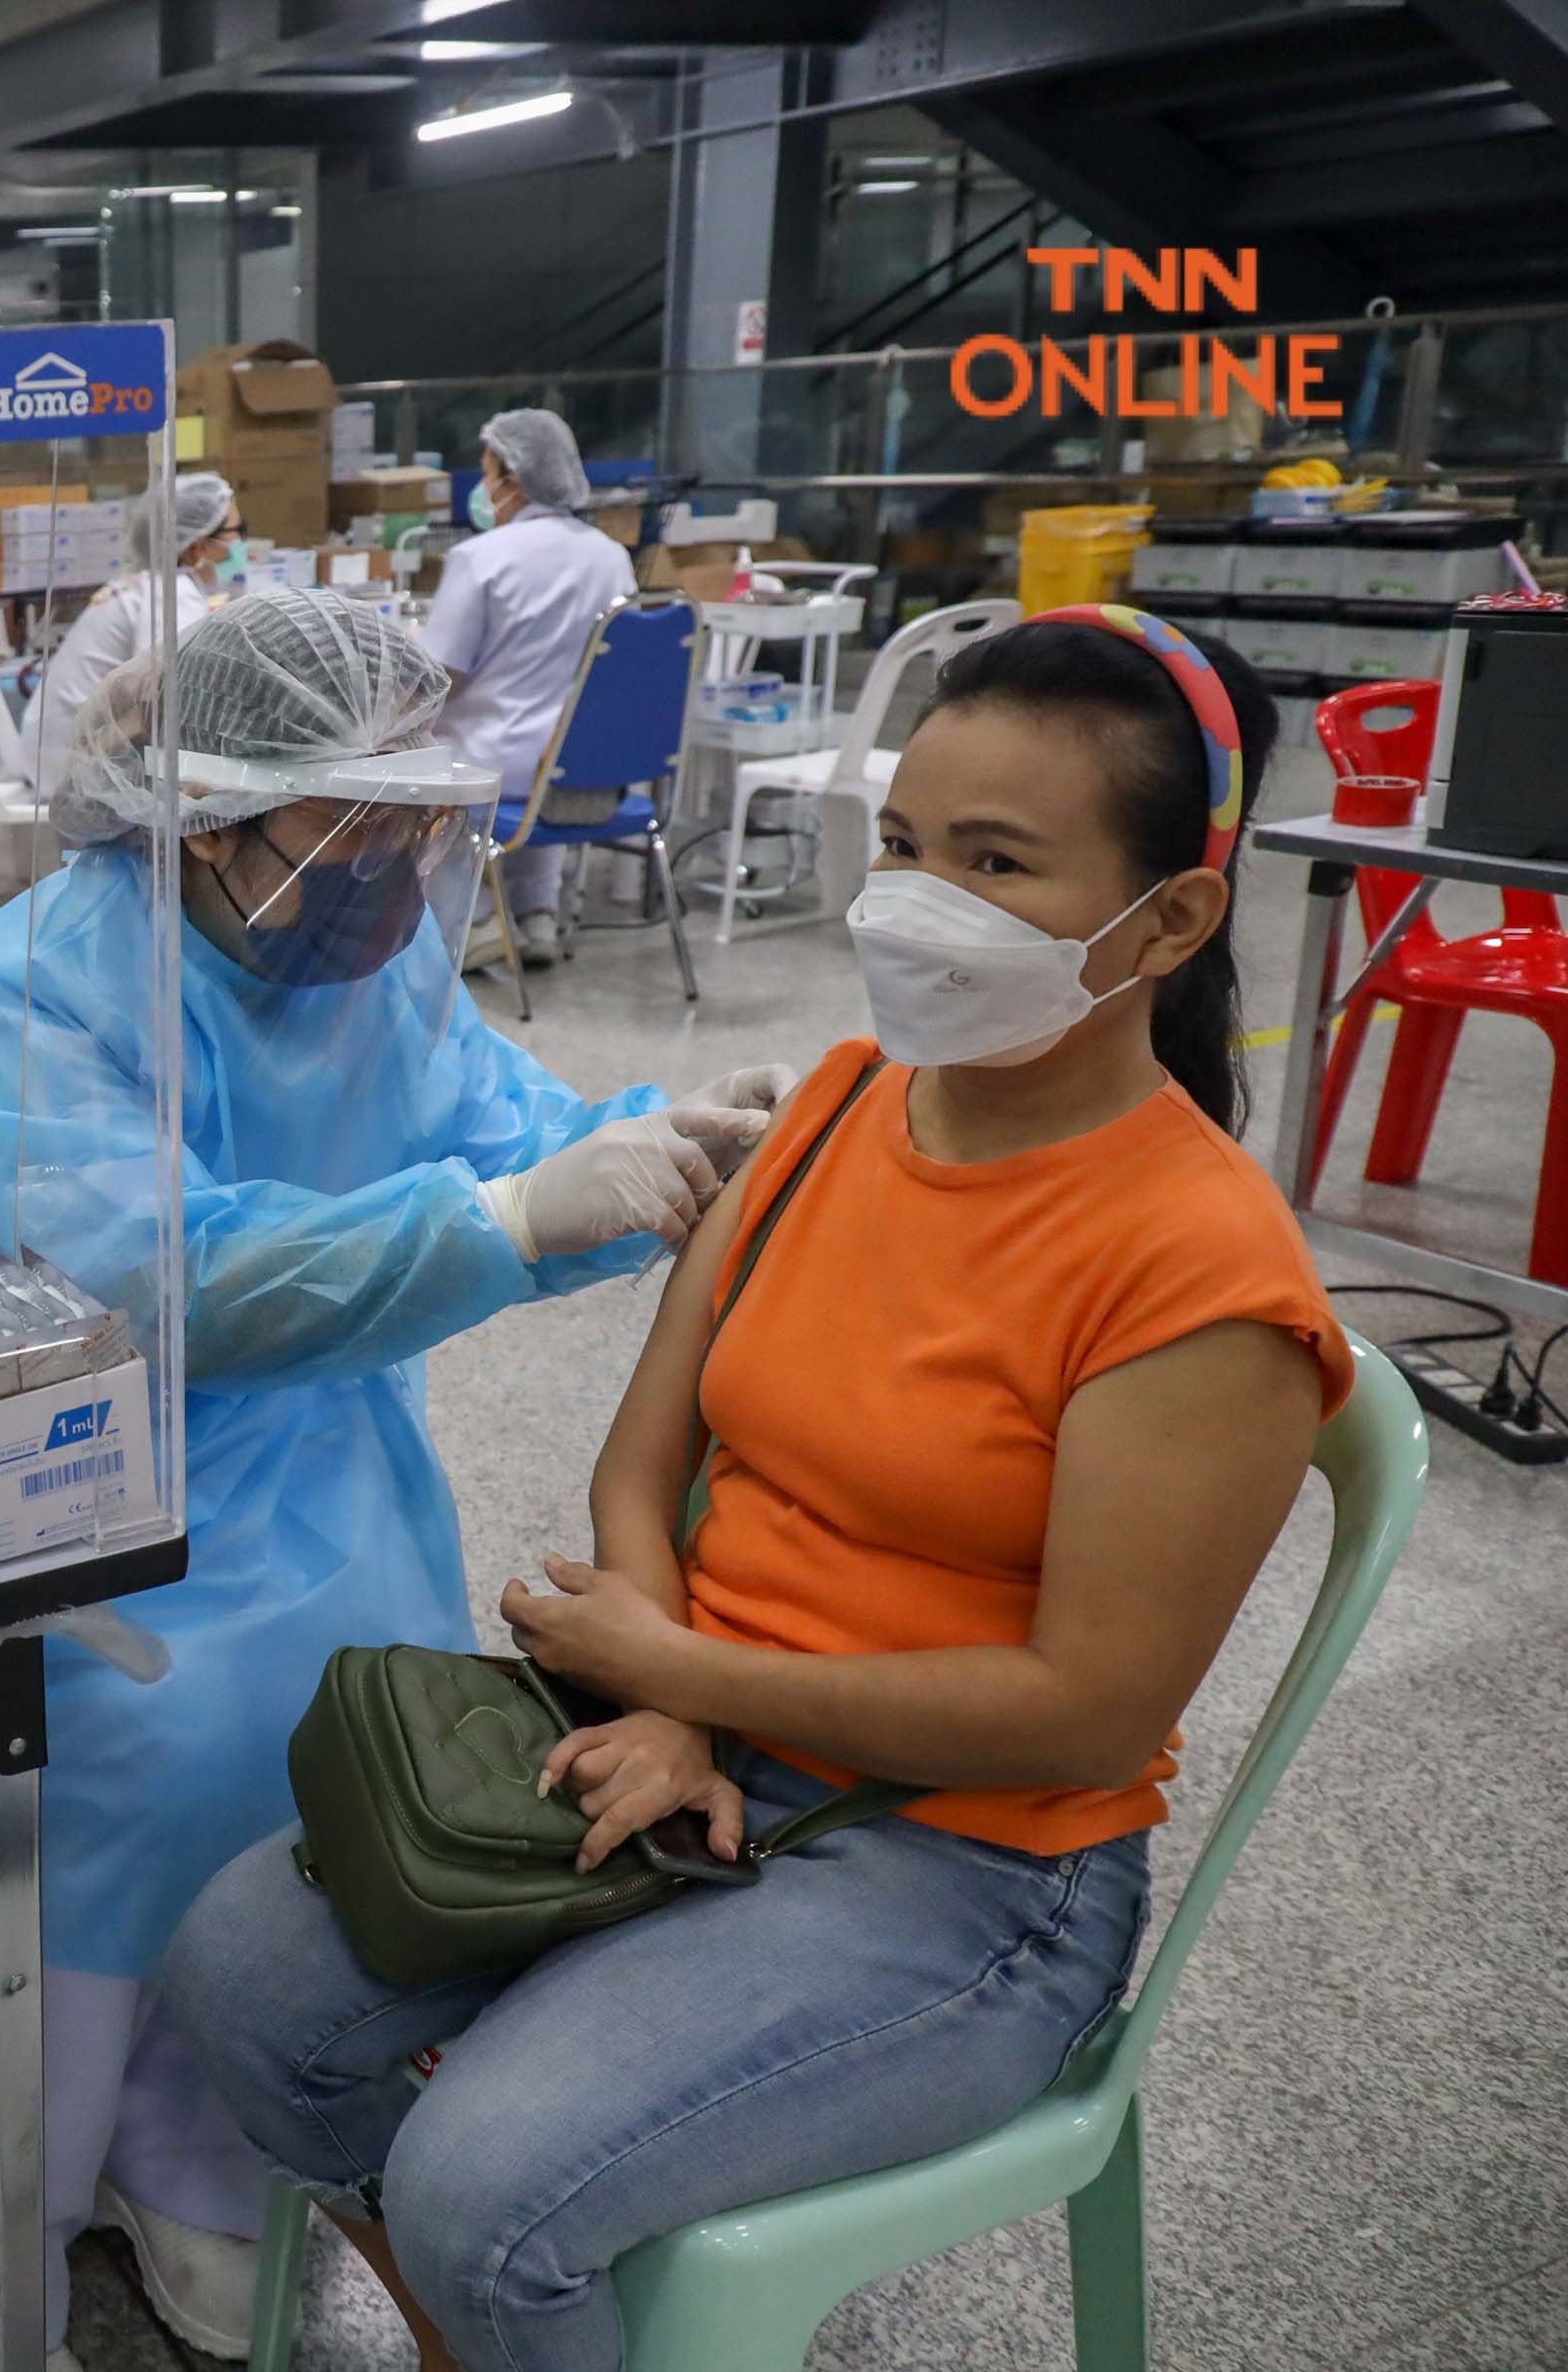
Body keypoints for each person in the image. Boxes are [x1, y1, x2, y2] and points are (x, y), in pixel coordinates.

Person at [159, 609, 1351, 2372]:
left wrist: (688, 1684)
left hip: (967, 1864)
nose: (911, 902)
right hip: (690, 1719)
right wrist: (672, 1699)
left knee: (494, 2186)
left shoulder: (1199, 1276)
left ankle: (501, 2299)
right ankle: (483, 2333)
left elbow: (1084, 1716)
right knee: (242, 1985)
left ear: (1168, 918)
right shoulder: (848, 1102)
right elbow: (650, 1447)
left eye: (996, 862)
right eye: (904, 845)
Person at [0, 586, 796, 2371]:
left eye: (420, 813)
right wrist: (498, 1223)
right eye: (349, 814)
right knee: (158, 1731)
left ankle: (203, 2174)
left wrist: (656, 1144)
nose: (395, 857)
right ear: (205, 802)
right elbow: (158, 1285)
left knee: (363, 1720)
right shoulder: (28, 996)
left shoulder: (380, 953)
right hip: (18, 1453)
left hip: (301, 1443)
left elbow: (501, 1134)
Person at [423, 410, 635, 971]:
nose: (482, 485)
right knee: (550, 743)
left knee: (409, 758)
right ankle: (538, 913)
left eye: (486, 472)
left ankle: (474, 923)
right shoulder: (612, 557)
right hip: (584, 768)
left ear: (511, 480)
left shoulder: (482, 558)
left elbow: (440, 676)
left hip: (487, 769)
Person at [25, 469, 240, 752]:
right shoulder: (169, 593)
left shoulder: (145, 584)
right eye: (237, 531)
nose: (239, 544)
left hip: (48, 744)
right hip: (72, 761)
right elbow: (168, 694)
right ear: (198, 545)